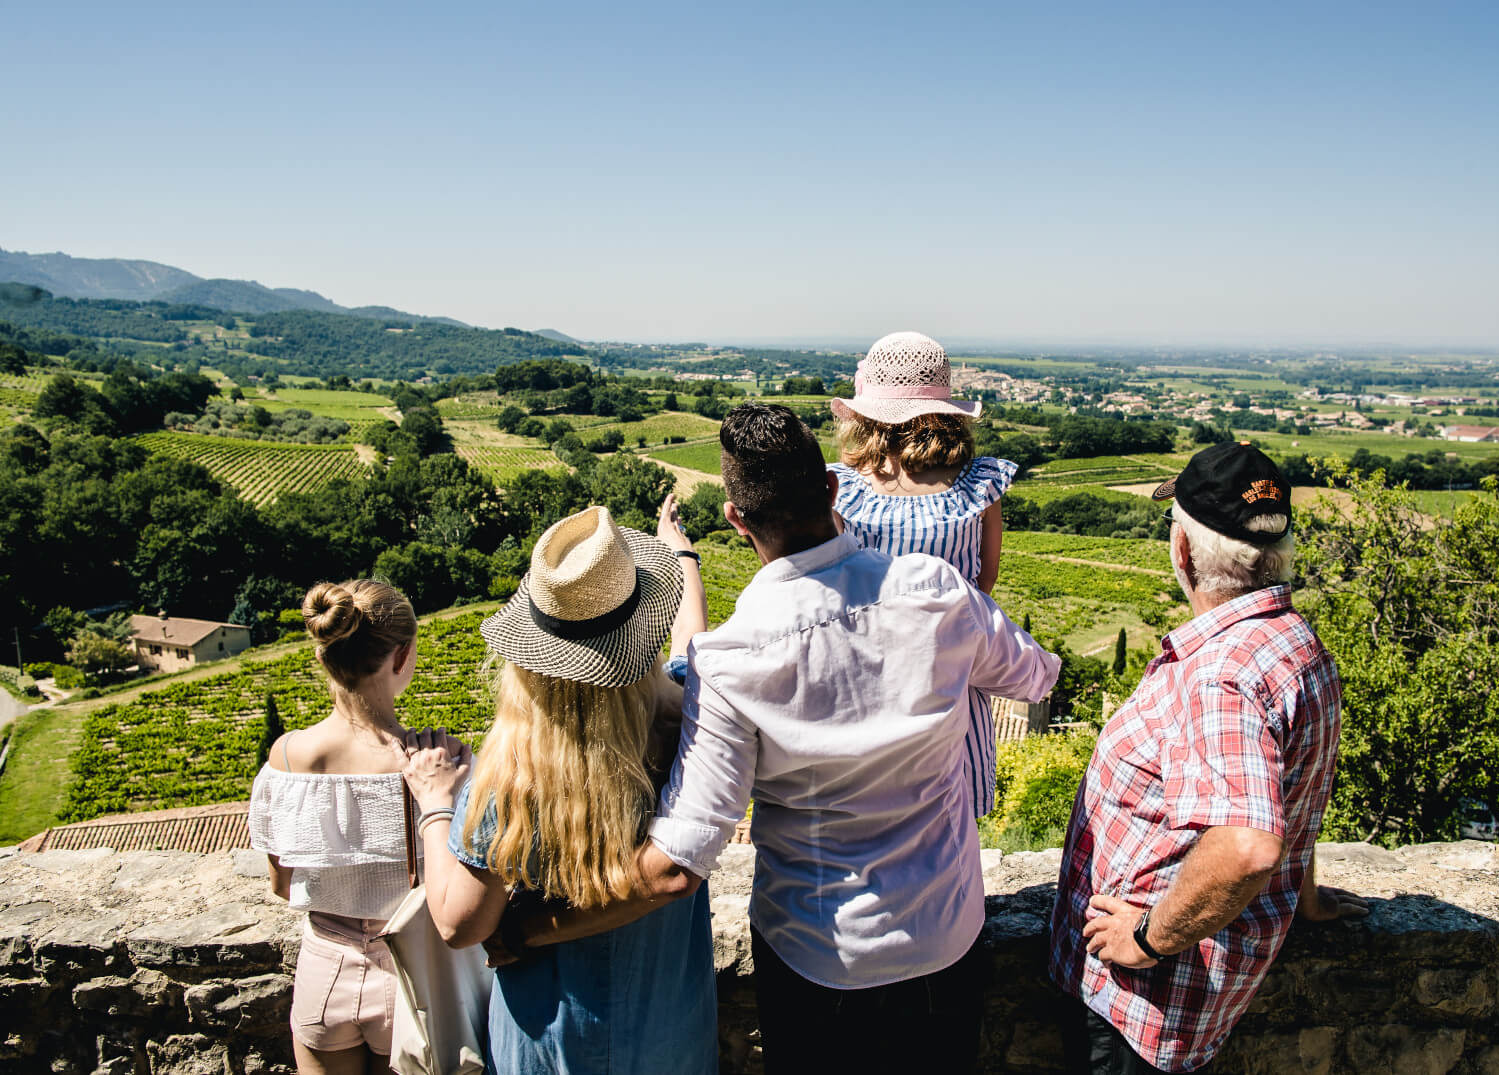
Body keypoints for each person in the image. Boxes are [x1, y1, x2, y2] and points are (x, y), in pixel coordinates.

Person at [470, 403, 1060, 1073]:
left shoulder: (729, 661)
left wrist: (526, 927)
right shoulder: (935, 592)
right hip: (945, 939)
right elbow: (1035, 676)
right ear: (833, 489)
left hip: (817, 961)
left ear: (735, 517)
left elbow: (671, 868)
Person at [1047, 442, 1369, 1074]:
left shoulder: (1220, 676)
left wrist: (1148, 939)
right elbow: (1291, 797)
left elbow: (1249, 845)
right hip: (1188, 993)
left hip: (1144, 1003)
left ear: (1184, 550)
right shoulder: (1293, 643)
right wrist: (1304, 898)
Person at [399, 496, 718, 1075]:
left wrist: (435, 805)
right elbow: (689, 646)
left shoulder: (509, 778)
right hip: (669, 1032)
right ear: (642, 636)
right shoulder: (686, 729)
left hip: (548, 1043)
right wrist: (682, 555)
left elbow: (458, 923)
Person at [248, 579, 442, 1075]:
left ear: (324, 657)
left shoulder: (288, 756)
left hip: (323, 968)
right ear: (401, 658)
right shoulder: (431, 764)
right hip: (408, 977)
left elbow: (281, 884)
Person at [827, 329, 1019, 818]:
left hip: (865, 675)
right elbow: (984, 582)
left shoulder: (842, 490)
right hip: (949, 674)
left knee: (870, 813)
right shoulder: (980, 487)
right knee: (949, 816)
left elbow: (832, 583)